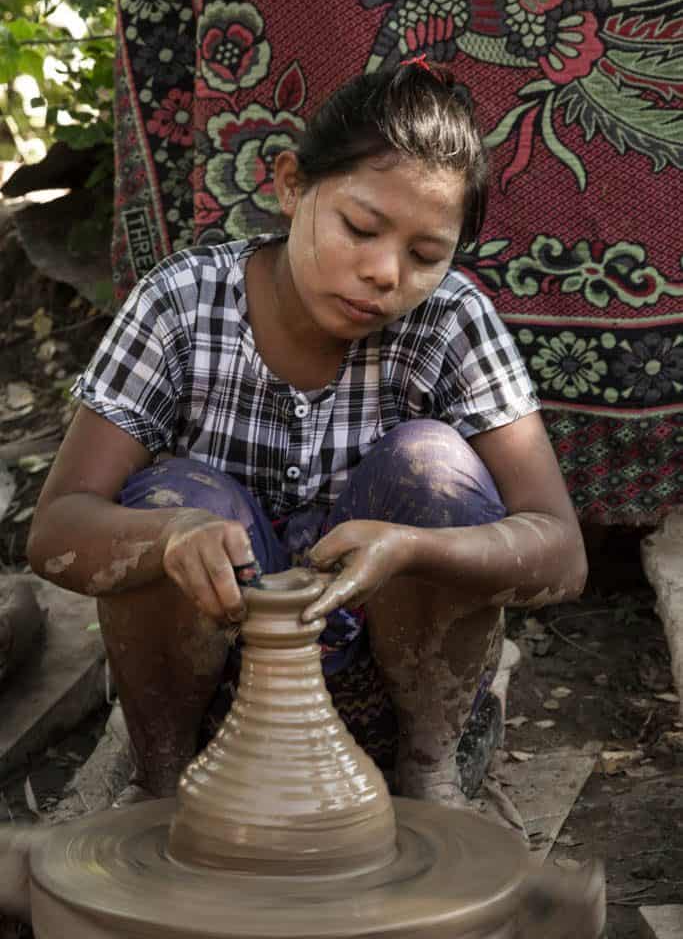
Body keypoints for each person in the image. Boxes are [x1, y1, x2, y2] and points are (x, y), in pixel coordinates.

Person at [27, 60, 587, 831]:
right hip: (210, 695)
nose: (383, 273)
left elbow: (560, 553)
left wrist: (411, 550)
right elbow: (55, 531)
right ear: (290, 185)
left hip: (393, 691)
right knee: (177, 499)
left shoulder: (452, 321)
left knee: (431, 463)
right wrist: (170, 538)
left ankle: (427, 771)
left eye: (426, 256)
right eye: (359, 228)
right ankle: (158, 785)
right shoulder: (182, 303)